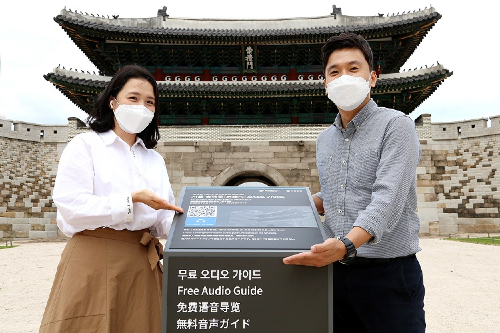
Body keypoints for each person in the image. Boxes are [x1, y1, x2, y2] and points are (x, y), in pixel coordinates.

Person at [283, 33, 425, 332]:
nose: (343, 77)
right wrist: (286, 205)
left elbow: (388, 198)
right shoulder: (325, 139)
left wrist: (347, 244)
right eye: (334, 72)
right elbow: (335, 194)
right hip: (334, 274)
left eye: (353, 68)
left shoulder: (396, 125)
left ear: (372, 77)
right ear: (325, 84)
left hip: (388, 276)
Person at [39, 65, 184, 333]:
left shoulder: (154, 160)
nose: (142, 106)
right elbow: (71, 207)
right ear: (112, 101)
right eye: (134, 98)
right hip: (92, 258)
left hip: (143, 264)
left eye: (150, 102)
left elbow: (164, 219)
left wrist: (193, 222)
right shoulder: (85, 146)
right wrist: (131, 200)